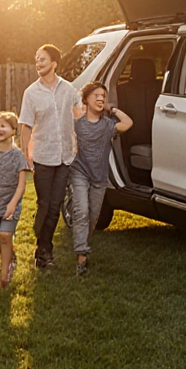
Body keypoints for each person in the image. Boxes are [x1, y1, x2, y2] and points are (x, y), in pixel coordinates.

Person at [18, 43, 80, 270]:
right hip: (43, 156)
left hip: (65, 156)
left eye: (42, 59)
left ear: (54, 63)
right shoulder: (31, 93)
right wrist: (26, 155)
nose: (38, 63)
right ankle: (44, 250)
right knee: (45, 203)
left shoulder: (69, 90)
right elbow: (25, 125)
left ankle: (44, 248)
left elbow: (79, 116)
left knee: (56, 205)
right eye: (36, 59)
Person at [69, 82, 133, 275]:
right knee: (81, 211)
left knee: (93, 216)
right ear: (86, 99)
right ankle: (81, 255)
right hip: (79, 172)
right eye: (96, 95)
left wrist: (112, 109)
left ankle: (83, 242)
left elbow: (128, 123)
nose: (100, 99)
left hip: (99, 176)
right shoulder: (77, 126)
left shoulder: (108, 126)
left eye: (103, 96)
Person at [0, 111, 28, 288]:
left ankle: (4, 277)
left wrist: (13, 203)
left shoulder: (18, 156)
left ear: (13, 130)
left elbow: (21, 185)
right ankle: (10, 255)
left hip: (11, 205)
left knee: (5, 235)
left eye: (3, 126)